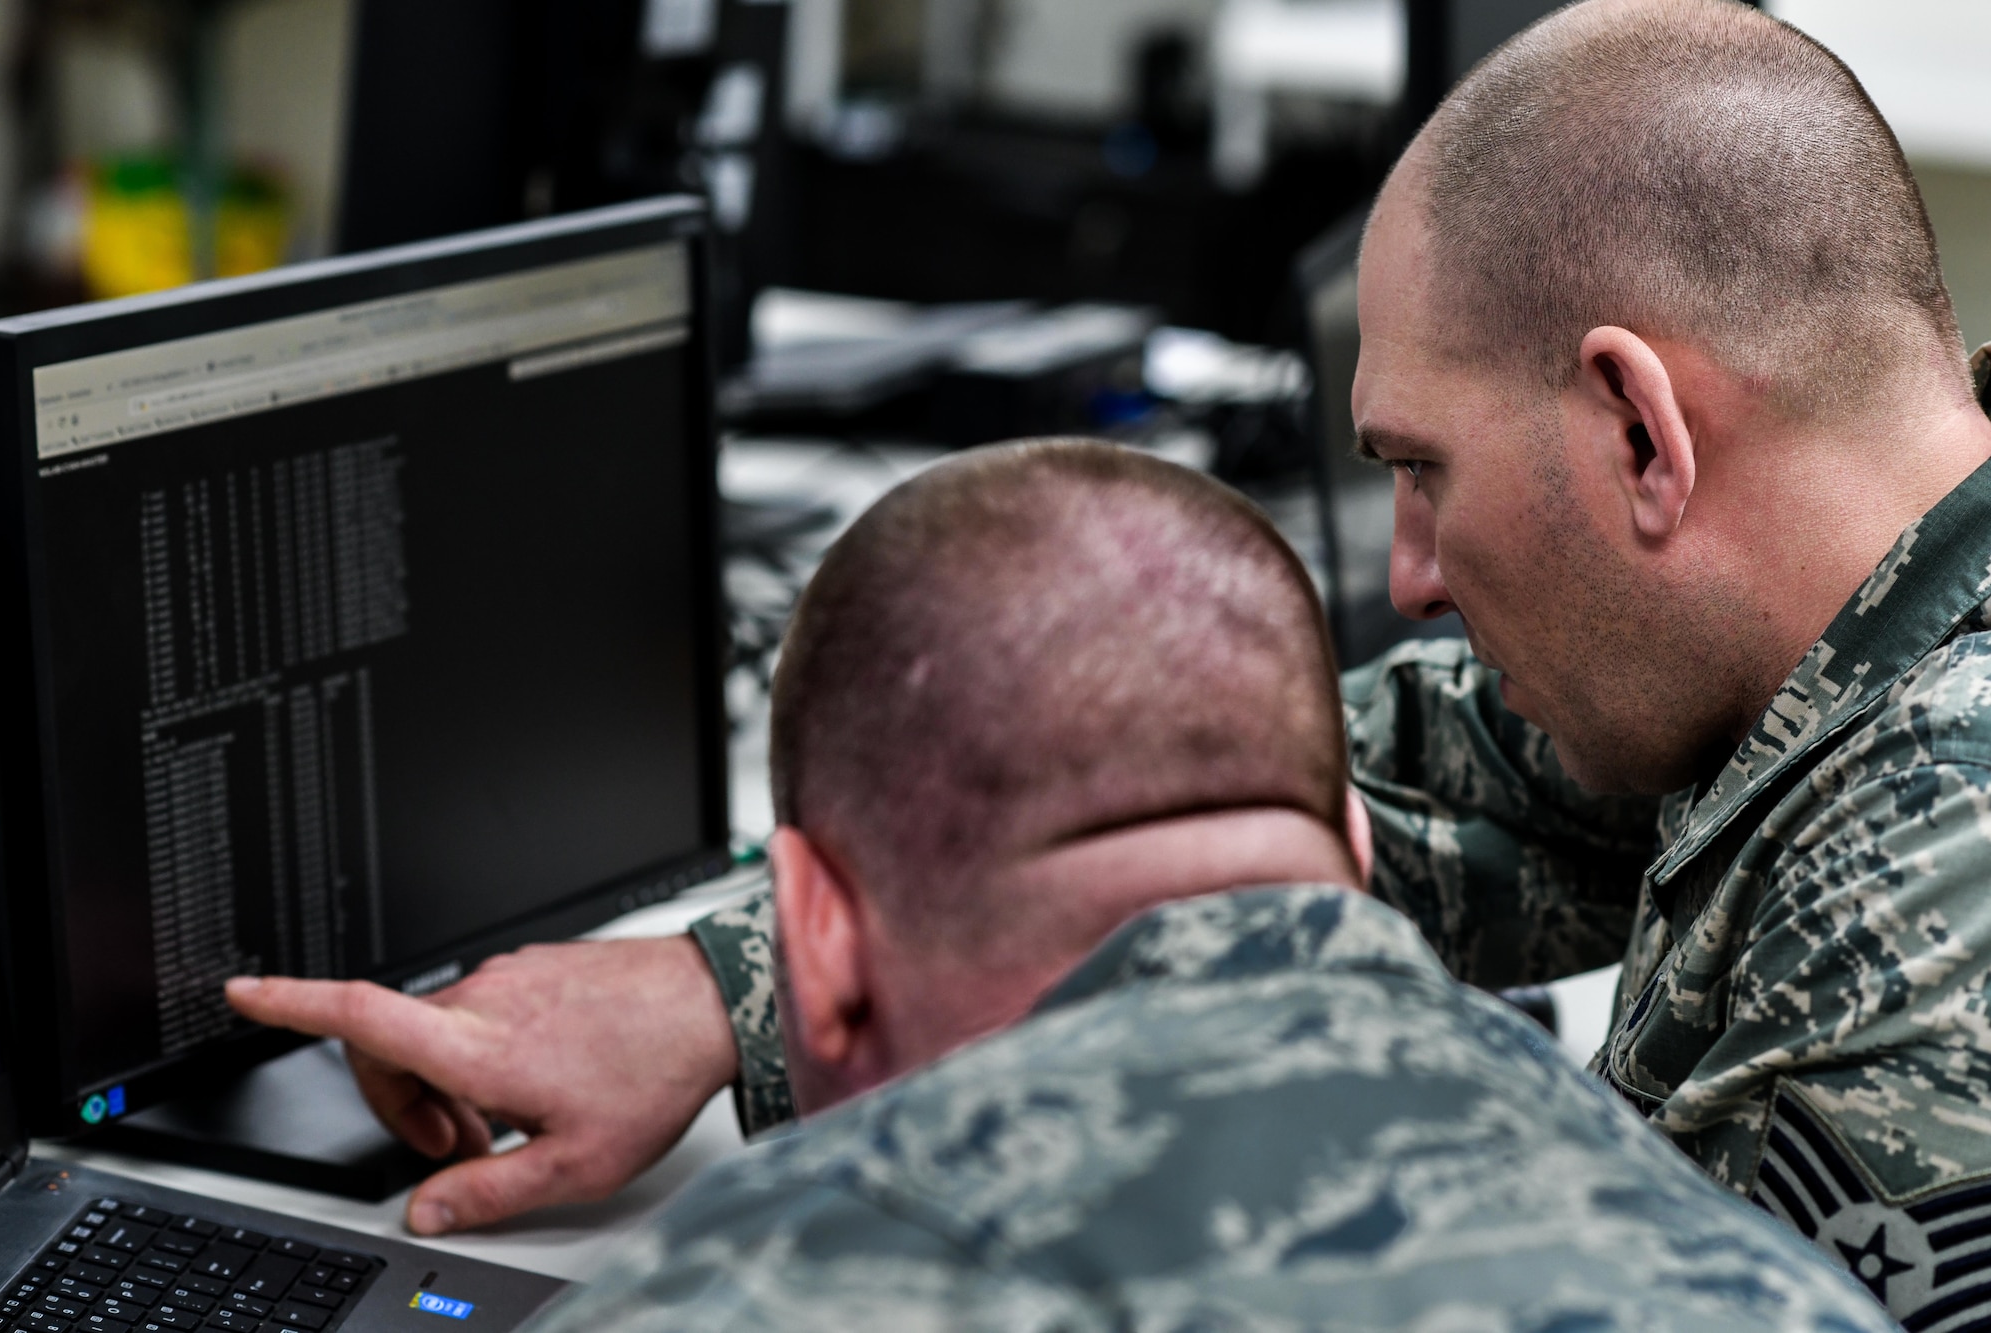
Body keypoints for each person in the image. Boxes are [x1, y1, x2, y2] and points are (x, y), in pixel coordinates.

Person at [227, 0, 1991, 1324]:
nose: (1413, 578)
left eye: (1420, 471)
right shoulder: (1820, 638)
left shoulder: (1944, 878)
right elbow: (1351, 798)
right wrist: (741, 989)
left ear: (1640, 431)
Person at [245, 441, 1892, 1329]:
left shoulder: (755, 1292)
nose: (1410, 564)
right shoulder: (1763, 1280)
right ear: (1363, 847)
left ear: (807, 919)